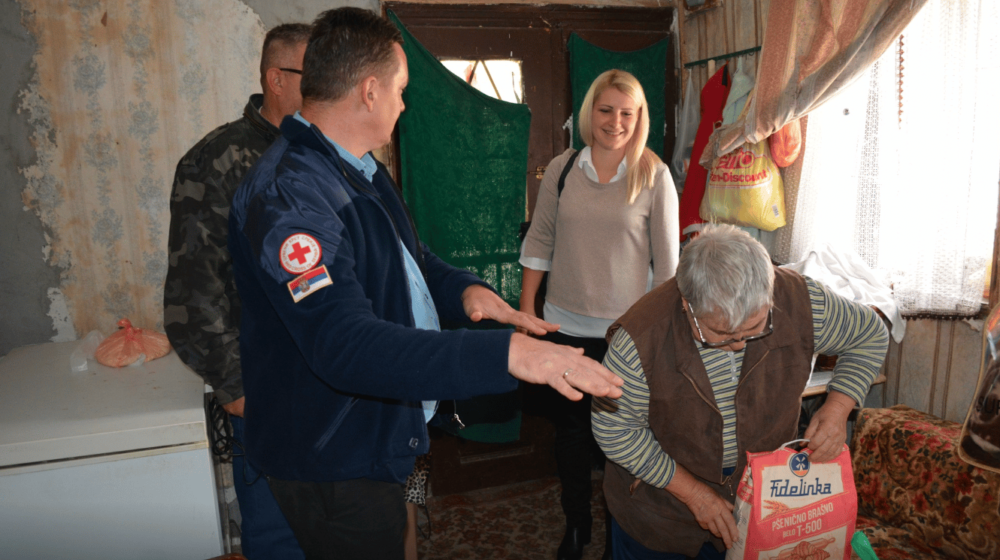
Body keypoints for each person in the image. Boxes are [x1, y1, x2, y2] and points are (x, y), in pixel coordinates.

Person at [226, 8, 623, 559]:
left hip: (370, 431)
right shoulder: (291, 195)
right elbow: (344, 344)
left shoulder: (356, 169)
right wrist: (506, 354)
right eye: (400, 89)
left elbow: (412, 258)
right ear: (369, 91)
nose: (404, 104)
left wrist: (465, 291)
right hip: (334, 454)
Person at [593, 224, 890, 560]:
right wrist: (694, 494)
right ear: (687, 303)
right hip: (659, 514)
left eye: (753, 331)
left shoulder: (800, 300)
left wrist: (837, 407)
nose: (737, 346)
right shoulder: (640, 338)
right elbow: (614, 429)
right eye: (720, 335)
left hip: (760, 502)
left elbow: (870, 334)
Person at [163, 23, 311, 559]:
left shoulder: (325, 154)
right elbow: (192, 292)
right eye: (310, 74)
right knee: (277, 536)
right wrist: (234, 387)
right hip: (265, 388)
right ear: (276, 79)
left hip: (330, 380)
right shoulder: (218, 160)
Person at [519, 69, 679, 560]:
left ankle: (618, 532)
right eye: (606, 110)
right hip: (564, 327)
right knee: (570, 436)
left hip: (626, 339)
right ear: (590, 112)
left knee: (622, 441)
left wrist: (656, 337)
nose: (615, 122)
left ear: (640, 117)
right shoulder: (564, 168)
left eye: (626, 113)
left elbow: (668, 267)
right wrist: (528, 312)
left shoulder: (654, 174)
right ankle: (576, 525)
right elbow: (540, 241)